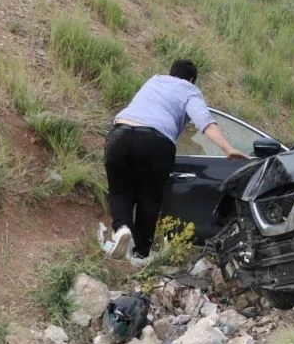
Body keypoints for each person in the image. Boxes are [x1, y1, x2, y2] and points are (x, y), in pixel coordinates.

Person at [104, 59, 248, 267]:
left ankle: (121, 229)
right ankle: (141, 254)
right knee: (149, 198)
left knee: (120, 191)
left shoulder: (154, 81)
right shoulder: (190, 90)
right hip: (155, 140)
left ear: (170, 73)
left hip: (119, 134)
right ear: (192, 80)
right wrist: (227, 148)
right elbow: (205, 121)